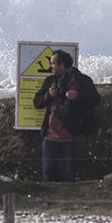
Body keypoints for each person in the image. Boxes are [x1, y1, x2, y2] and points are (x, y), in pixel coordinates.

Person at [33, 50, 100, 183]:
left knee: (73, 174)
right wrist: (49, 95)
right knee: (48, 173)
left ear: (62, 65)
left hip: (73, 135)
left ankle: (74, 201)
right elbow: (37, 102)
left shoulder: (82, 80)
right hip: (50, 135)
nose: (50, 67)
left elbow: (96, 99)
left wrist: (78, 96)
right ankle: (49, 200)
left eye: (52, 64)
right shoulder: (50, 81)